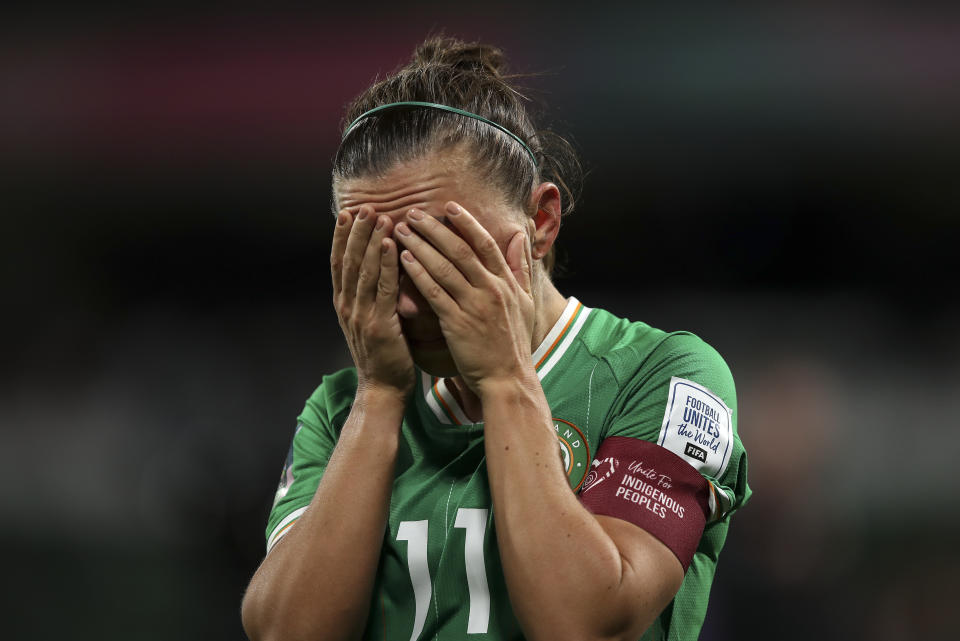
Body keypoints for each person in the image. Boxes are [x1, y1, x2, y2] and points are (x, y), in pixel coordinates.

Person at [241, 36, 750, 641]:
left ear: (541, 221)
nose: (405, 300)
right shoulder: (340, 409)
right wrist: (379, 397)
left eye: (438, 255)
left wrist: (507, 381)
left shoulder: (665, 375)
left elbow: (584, 624)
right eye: (377, 266)